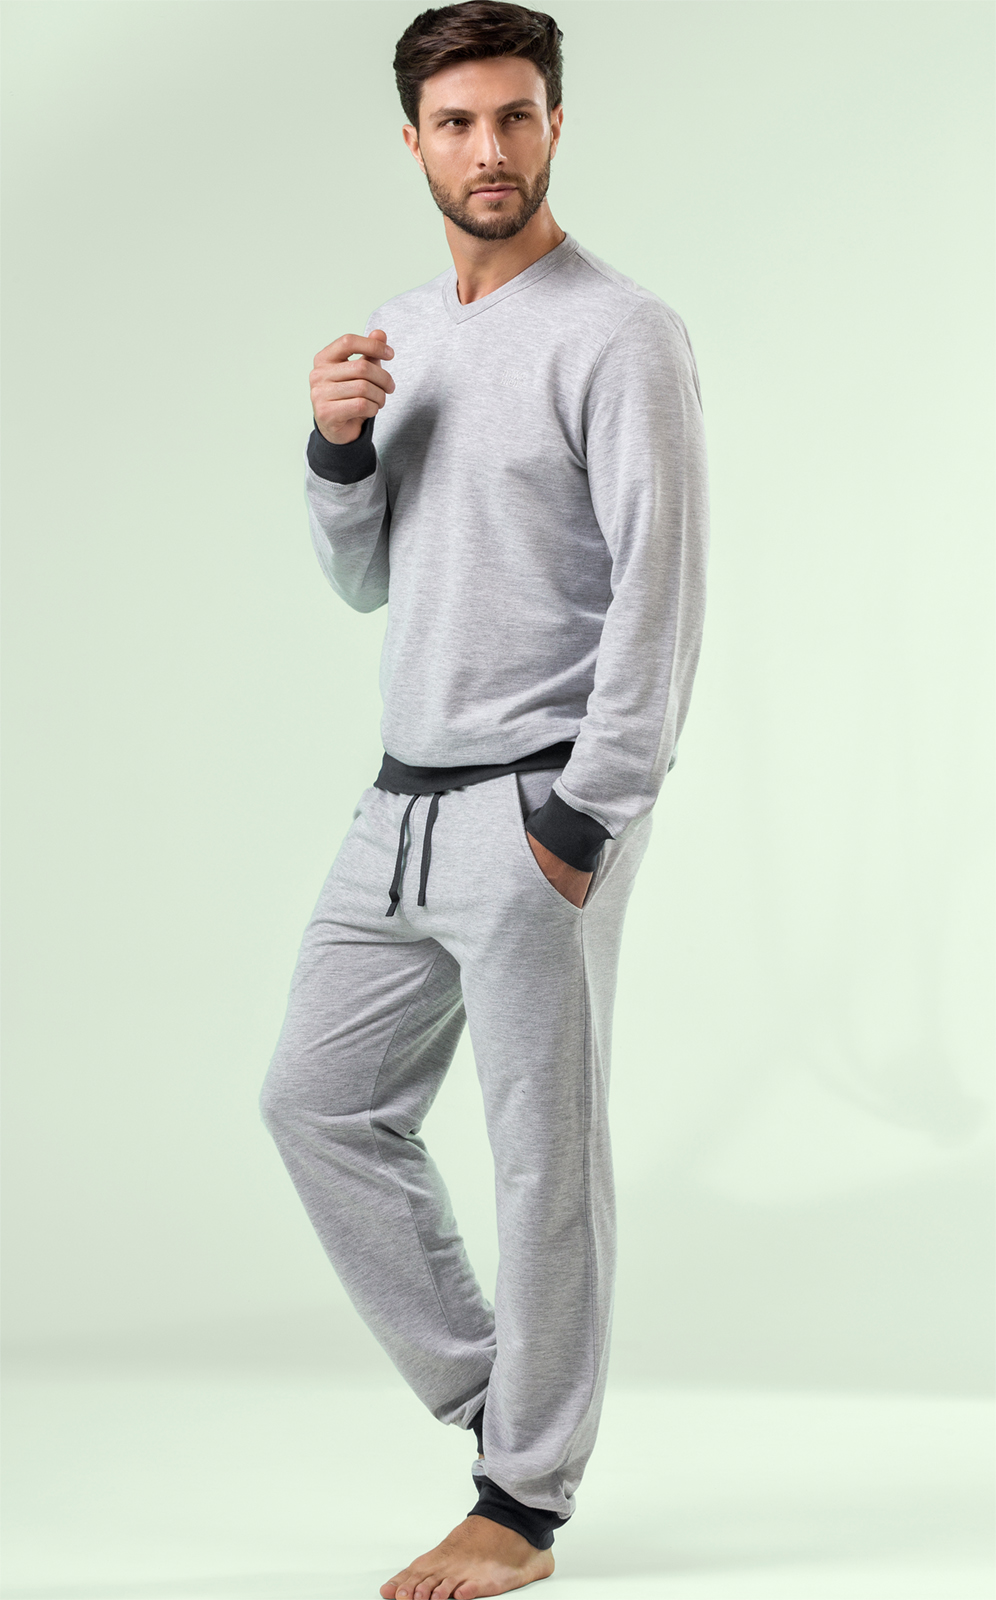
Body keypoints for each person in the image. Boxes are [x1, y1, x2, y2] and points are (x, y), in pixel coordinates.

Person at [259, 3, 709, 1595]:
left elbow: (662, 588)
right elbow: (366, 580)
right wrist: (337, 452)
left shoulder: (621, 333)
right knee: (315, 1103)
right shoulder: (403, 332)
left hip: (535, 808)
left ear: (554, 125)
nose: (489, 148)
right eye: (457, 123)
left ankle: (520, 1507)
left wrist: (588, 815)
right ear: (415, 143)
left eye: (516, 116)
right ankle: (510, 1399)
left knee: (540, 1162)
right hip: (394, 808)